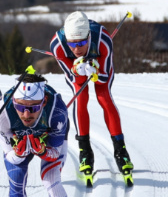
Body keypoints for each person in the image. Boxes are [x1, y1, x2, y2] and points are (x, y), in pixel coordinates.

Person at [50, 11, 133, 186]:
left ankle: (120, 150)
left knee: (104, 98)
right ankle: (85, 151)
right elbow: (73, 79)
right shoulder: (57, 45)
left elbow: (104, 77)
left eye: (81, 43)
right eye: (71, 44)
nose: (76, 49)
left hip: (99, 69)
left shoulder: (103, 41)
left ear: (89, 36)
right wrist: (77, 69)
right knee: (81, 98)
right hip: (77, 72)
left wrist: (94, 71)